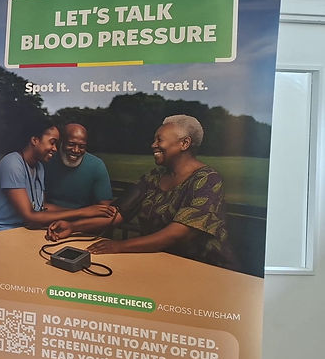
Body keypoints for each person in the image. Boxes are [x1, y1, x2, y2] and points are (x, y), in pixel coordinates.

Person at [46, 115, 233, 268]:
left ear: (184, 143)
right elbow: (116, 214)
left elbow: (177, 233)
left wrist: (119, 246)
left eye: (159, 140)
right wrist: (73, 227)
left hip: (202, 270)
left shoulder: (208, 180)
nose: (153, 145)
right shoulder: (153, 177)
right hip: (156, 263)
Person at [0, 120, 115, 235]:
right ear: (35, 140)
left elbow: (41, 207)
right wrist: (83, 212)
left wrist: (88, 212)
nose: (55, 149)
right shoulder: (12, 163)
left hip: (23, 231)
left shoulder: (39, 167)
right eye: (52, 142)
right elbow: (30, 216)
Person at [45, 123, 113, 209]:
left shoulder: (97, 166)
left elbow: (105, 207)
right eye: (71, 144)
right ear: (61, 141)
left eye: (82, 146)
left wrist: (73, 221)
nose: (76, 150)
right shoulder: (47, 161)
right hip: (48, 217)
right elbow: (38, 205)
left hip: (82, 220)